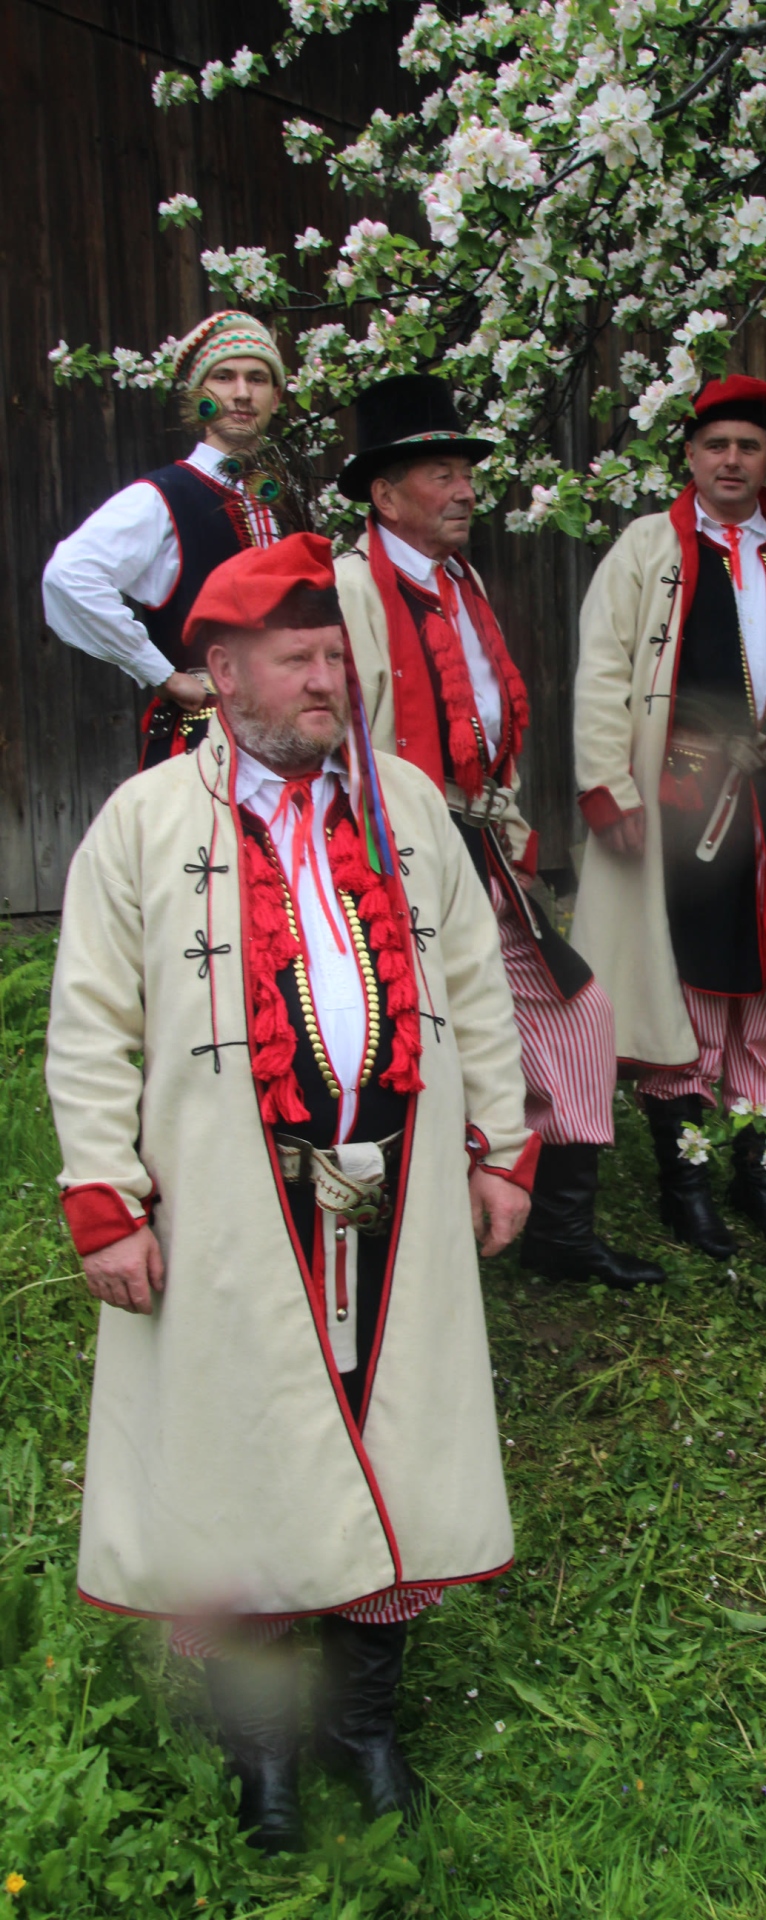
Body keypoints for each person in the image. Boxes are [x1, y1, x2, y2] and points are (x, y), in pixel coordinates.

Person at [46, 532, 536, 1854]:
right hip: (224, 1206)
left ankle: (363, 1728)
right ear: (223, 673)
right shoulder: (146, 823)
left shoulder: (408, 806)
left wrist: (501, 1147)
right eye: (296, 658)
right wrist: (105, 1199)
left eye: (336, 655)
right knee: (240, 1459)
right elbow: (90, 1026)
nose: (328, 680)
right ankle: (263, 1756)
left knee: (396, 1434)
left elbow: (478, 982)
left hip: (402, 1190)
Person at [334, 374, 663, 1291]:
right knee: (419, 1035)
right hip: (399, 847)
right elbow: (351, 742)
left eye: (466, 473)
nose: (466, 491)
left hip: (479, 842)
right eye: (442, 474)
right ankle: (411, 1230)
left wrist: (504, 819)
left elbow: (486, 727)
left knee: (576, 1012)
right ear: (385, 495)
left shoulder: (461, 583)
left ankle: (559, 1230)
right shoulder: (354, 589)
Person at [572, 376, 766, 1257]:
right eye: (716, 446)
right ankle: (686, 1186)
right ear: (691, 456)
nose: (731, 461)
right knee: (690, 980)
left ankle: (759, 1175)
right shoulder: (647, 547)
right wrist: (607, 784)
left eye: (748, 446)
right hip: (683, 804)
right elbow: (602, 669)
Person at [43, 310, 285, 767]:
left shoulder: (276, 506)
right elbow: (69, 575)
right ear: (200, 396)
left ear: (275, 396)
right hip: (202, 748)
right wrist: (160, 672)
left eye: (256, 379)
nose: (241, 393)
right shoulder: (164, 496)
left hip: (281, 742)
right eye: (224, 377)